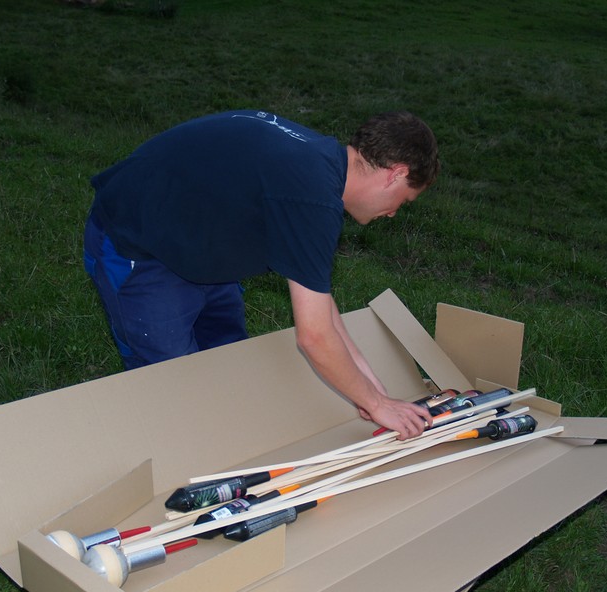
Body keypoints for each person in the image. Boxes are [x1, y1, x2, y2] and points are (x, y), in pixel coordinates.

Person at [84, 109, 440, 439]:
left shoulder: (323, 166)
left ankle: (219, 440)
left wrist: (371, 388)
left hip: (197, 239)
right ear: (396, 174)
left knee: (227, 367)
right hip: (140, 242)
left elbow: (318, 297)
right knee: (170, 386)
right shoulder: (311, 197)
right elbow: (314, 336)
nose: (393, 213)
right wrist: (377, 405)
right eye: (404, 200)